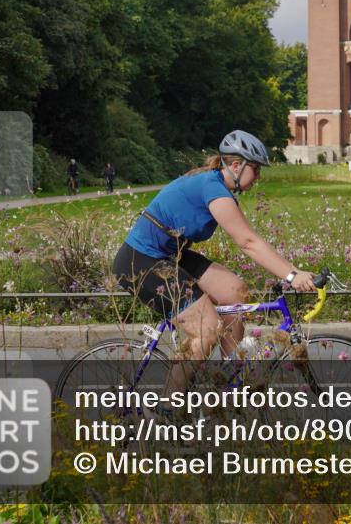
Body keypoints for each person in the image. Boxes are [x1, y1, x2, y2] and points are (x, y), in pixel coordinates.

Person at [112, 130, 317, 416]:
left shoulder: (217, 186)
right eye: (256, 169)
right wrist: (293, 275)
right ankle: (167, 410)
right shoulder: (212, 188)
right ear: (237, 166)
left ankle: (232, 375)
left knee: (235, 290)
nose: (258, 177)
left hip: (171, 255)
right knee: (206, 329)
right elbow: (247, 242)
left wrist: (292, 272)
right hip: (141, 259)